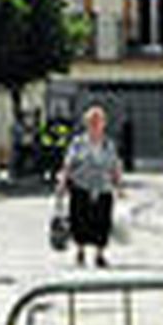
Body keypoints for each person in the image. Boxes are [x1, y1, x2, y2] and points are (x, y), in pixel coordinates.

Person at [56, 105, 124, 268]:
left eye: (98, 121)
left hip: (103, 187)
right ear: (86, 123)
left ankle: (100, 254)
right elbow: (68, 163)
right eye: (92, 121)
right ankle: (80, 251)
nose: (95, 124)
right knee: (79, 219)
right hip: (81, 185)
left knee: (102, 220)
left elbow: (115, 165)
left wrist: (118, 185)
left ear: (104, 124)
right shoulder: (78, 142)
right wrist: (62, 183)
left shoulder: (108, 144)